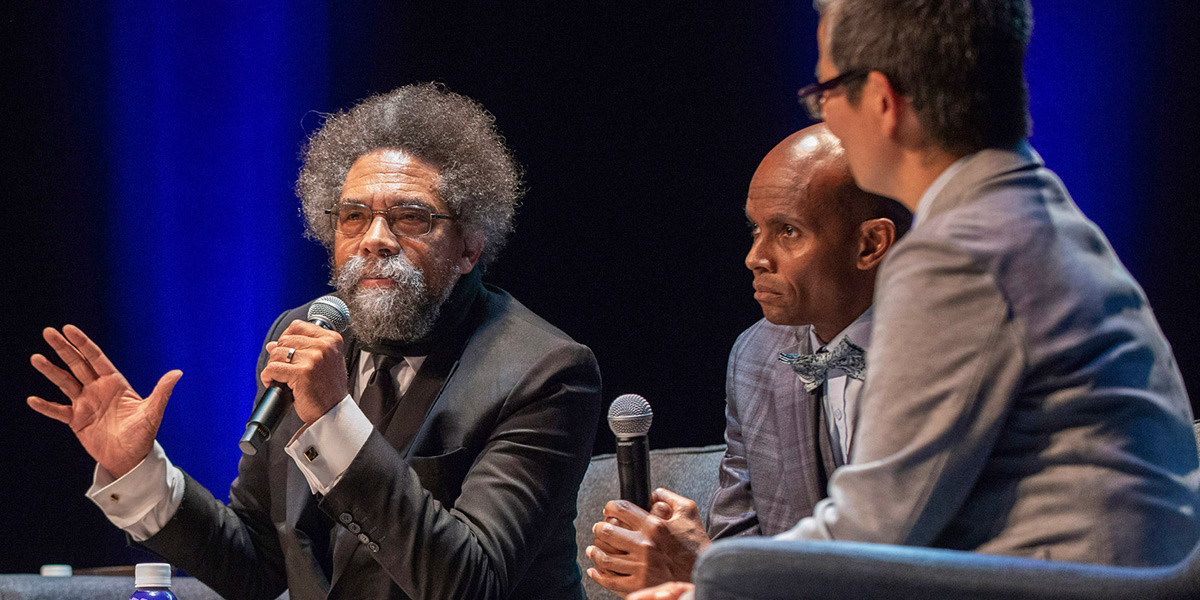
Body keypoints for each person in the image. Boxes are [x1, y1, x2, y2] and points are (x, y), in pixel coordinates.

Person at [633, 1, 1200, 597]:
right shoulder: (1030, 215)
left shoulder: (961, 253)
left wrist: (714, 586)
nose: (821, 115)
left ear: (881, 100)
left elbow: (875, 529)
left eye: (823, 91)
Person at [27, 83, 602, 600]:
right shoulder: (303, 335)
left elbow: (470, 583)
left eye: (410, 218)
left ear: (470, 247)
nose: (375, 240)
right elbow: (259, 565)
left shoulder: (545, 371)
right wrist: (140, 470)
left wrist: (333, 419)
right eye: (353, 216)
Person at [586, 124, 910, 596]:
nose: (755, 257)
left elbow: (914, 561)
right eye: (755, 230)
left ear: (870, 245)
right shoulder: (757, 356)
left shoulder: (942, 355)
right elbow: (741, 537)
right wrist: (700, 565)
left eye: (787, 231)